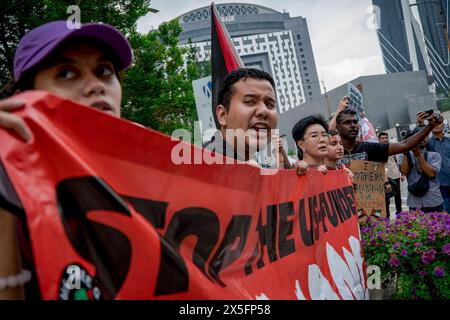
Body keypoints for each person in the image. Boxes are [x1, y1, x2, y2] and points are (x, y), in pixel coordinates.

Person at [0, 20, 133, 299]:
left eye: (104, 71)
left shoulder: (163, 183)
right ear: (24, 99)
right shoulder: (9, 190)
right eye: (66, 73)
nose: (96, 86)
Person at [203, 68, 278, 165]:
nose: (264, 111)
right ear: (223, 115)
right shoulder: (192, 168)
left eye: (270, 105)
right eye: (250, 102)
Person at [333, 108, 443, 167]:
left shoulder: (368, 148)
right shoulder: (330, 153)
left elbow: (405, 144)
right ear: (337, 127)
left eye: (355, 122)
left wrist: (430, 126)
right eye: (347, 122)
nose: (353, 125)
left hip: (368, 208)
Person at [399, 128, 444, 213]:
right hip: (414, 202)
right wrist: (406, 151)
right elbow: (404, 171)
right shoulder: (405, 155)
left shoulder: (435, 155)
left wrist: (418, 154)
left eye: (425, 136)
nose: (422, 139)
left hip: (433, 200)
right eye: (419, 136)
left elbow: (431, 174)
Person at [417, 112, 450, 213]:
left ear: (443, 125)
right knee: (445, 212)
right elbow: (419, 138)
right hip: (438, 183)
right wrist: (420, 124)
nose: (436, 126)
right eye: (433, 124)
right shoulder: (428, 142)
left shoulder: (449, 141)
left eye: (438, 123)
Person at [378, 132, 403, 217]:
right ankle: (387, 217)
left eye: (386, 138)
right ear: (379, 139)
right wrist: (386, 182)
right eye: (382, 138)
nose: (385, 139)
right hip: (387, 178)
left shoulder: (392, 148)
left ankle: (399, 215)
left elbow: (397, 160)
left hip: (396, 175)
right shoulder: (378, 150)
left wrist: (402, 173)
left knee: (398, 198)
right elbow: (380, 167)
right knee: (386, 199)